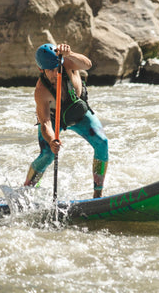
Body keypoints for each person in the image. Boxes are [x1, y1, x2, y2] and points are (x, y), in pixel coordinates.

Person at [24, 43, 109, 198]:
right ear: (40, 69)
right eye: (50, 70)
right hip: (54, 120)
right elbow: (45, 123)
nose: (55, 72)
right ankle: (26, 191)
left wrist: (69, 54)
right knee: (47, 155)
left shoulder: (67, 63)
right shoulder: (41, 91)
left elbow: (88, 65)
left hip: (78, 114)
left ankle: (98, 195)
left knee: (102, 143)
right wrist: (51, 140)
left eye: (57, 67)